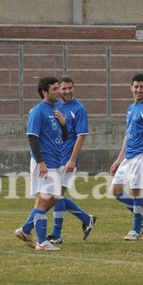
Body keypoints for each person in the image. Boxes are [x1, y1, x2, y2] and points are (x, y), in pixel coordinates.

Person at [14, 76, 68, 251]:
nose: (59, 92)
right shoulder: (38, 111)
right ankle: (41, 241)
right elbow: (32, 137)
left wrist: (64, 124)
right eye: (55, 89)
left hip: (55, 161)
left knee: (54, 198)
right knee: (43, 200)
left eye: (58, 88)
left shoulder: (55, 111)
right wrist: (41, 163)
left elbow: (64, 138)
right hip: (45, 162)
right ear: (45, 92)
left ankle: (25, 229)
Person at [46, 75, 96, 245]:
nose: (67, 91)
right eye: (64, 88)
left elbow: (81, 137)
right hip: (55, 158)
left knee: (56, 196)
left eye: (70, 88)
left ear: (74, 88)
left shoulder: (79, 109)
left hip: (68, 160)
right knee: (55, 196)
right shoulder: (57, 106)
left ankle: (56, 234)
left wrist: (72, 160)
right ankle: (86, 218)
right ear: (59, 89)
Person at [109, 73, 143, 241]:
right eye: (136, 86)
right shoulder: (131, 109)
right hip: (128, 156)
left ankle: (136, 230)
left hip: (142, 155)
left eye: (142, 87)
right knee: (115, 190)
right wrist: (118, 159)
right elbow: (127, 135)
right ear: (131, 88)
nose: (138, 90)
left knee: (136, 192)